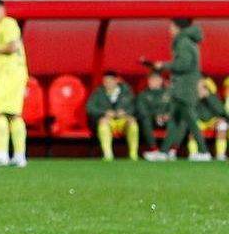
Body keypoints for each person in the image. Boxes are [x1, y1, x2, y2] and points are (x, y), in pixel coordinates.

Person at [142, 18, 208, 161]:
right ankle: (164, 152)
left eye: (171, 27)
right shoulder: (190, 41)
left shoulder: (183, 42)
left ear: (178, 28)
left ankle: (204, 151)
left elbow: (183, 64)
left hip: (183, 87)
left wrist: (164, 65)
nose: (169, 30)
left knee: (189, 119)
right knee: (175, 120)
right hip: (184, 86)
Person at [0, 0, 28, 167]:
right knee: (13, 114)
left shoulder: (7, 23)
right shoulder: (3, 26)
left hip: (11, 74)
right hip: (14, 73)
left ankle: (2, 154)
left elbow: (13, 47)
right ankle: (19, 156)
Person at [86, 71, 140, 161]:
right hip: (109, 122)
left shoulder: (126, 92)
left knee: (133, 123)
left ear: (116, 81)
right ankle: (108, 155)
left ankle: (133, 154)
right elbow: (90, 108)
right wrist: (104, 112)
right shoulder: (98, 92)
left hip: (123, 121)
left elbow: (135, 107)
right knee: (103, 123)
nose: (108, 84)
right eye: (105, 81)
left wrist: (126, 113)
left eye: (110, 81)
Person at [189, 78, 228, 160]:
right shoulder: (191, 96)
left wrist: (209, 97)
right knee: (192, 128)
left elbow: (221, 111)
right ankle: (193, 154)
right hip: (199, 120)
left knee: (223, 125)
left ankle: (220, 155)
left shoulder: (212, 95)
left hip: (213, 120)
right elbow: (190, 112)